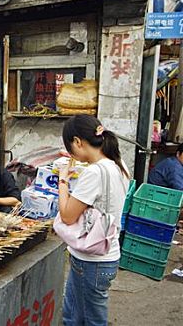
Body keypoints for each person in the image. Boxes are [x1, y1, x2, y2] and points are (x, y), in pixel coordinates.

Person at [58, 114, 130, 326]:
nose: (71, 153)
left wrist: (63, 179)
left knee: (86, 320)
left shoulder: (95, 173)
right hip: (105, 254)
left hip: (92, 262)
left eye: (71, 148)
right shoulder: (118, 164)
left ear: (78, 142)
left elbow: (68, 216)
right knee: (76, 317)